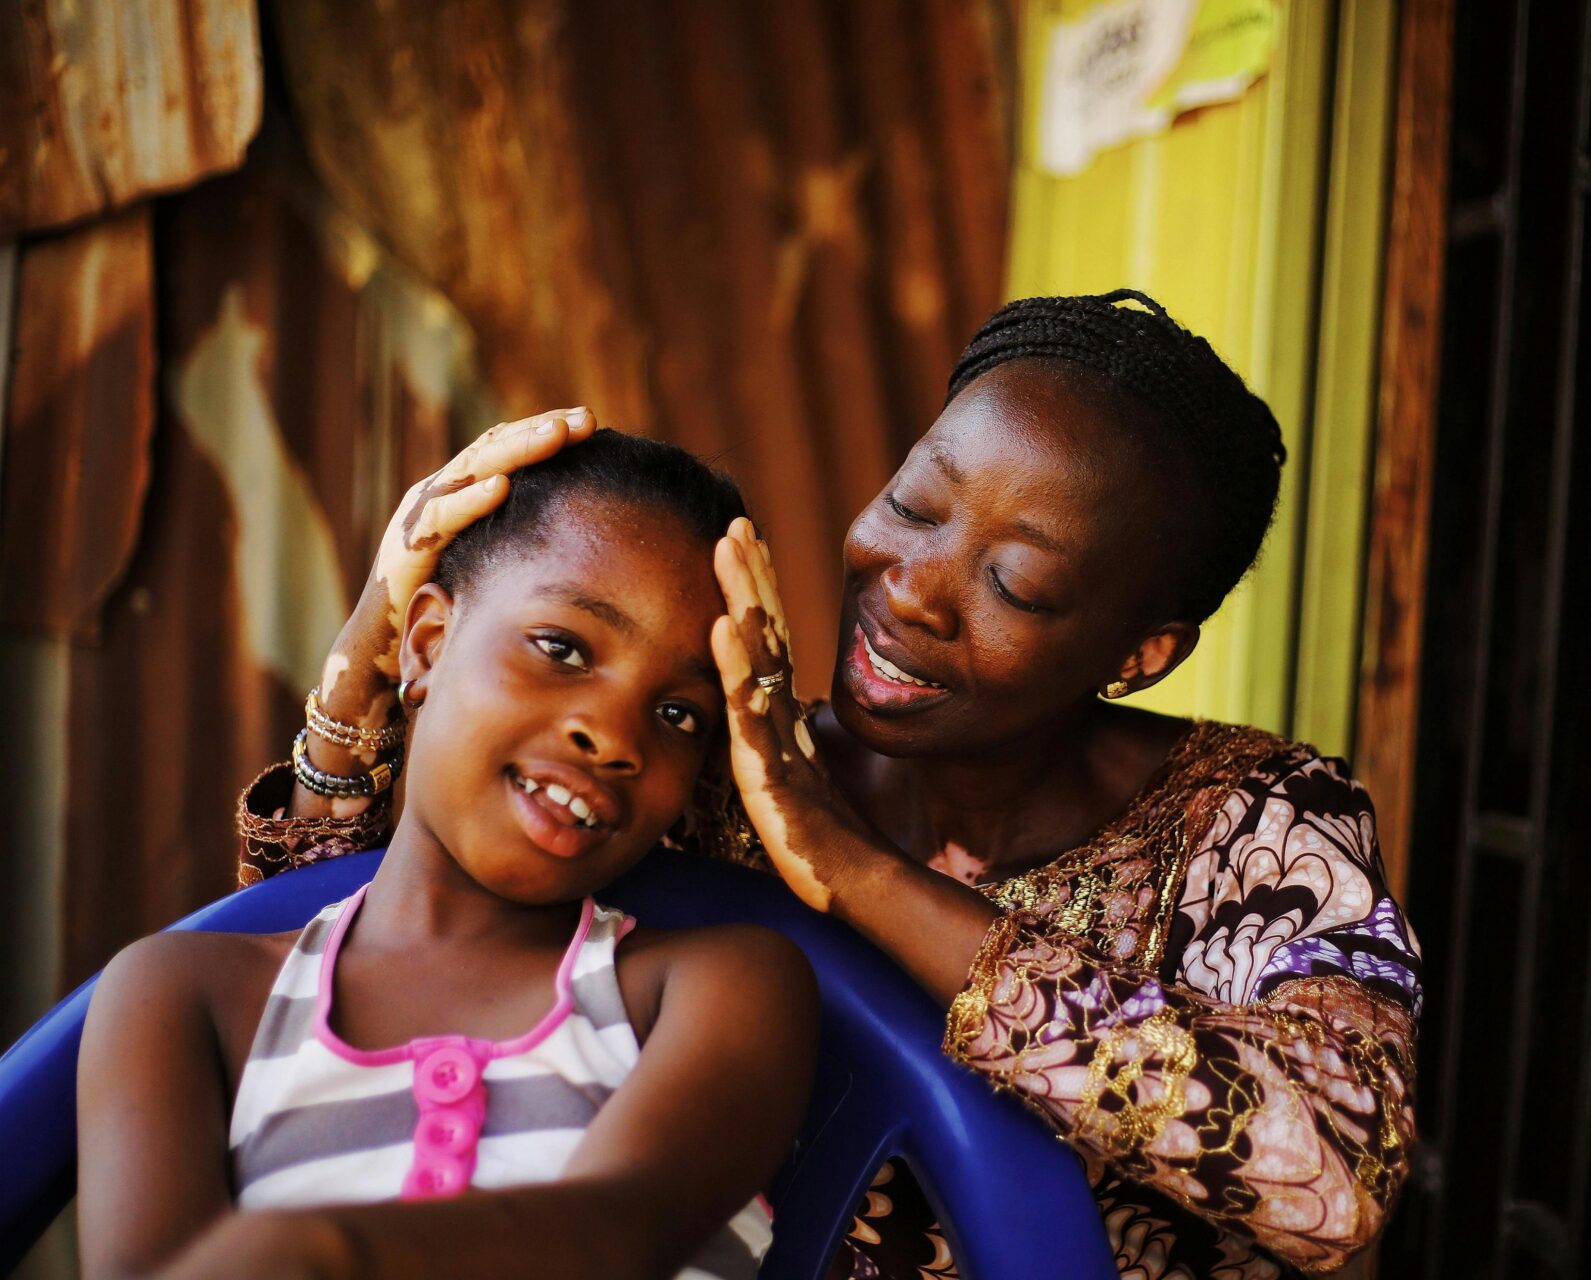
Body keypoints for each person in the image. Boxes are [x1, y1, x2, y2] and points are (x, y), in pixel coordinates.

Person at [241, 291, 1422, 1278]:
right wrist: (372, 655)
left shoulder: (1257, 822)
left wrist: (849, 865)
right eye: (913, 504)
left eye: (1014, 581)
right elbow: (329, 960)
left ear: (1138, 651)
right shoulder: (717, 763)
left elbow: (1332, 1177)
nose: (913, 587)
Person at [79, 434, 818, 1279]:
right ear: (425, 644)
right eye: (563, 648)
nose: (613, 737)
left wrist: (320, 1251)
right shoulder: (183, 995)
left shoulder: (718, 988)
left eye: (680, 714)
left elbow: (617, 1233)